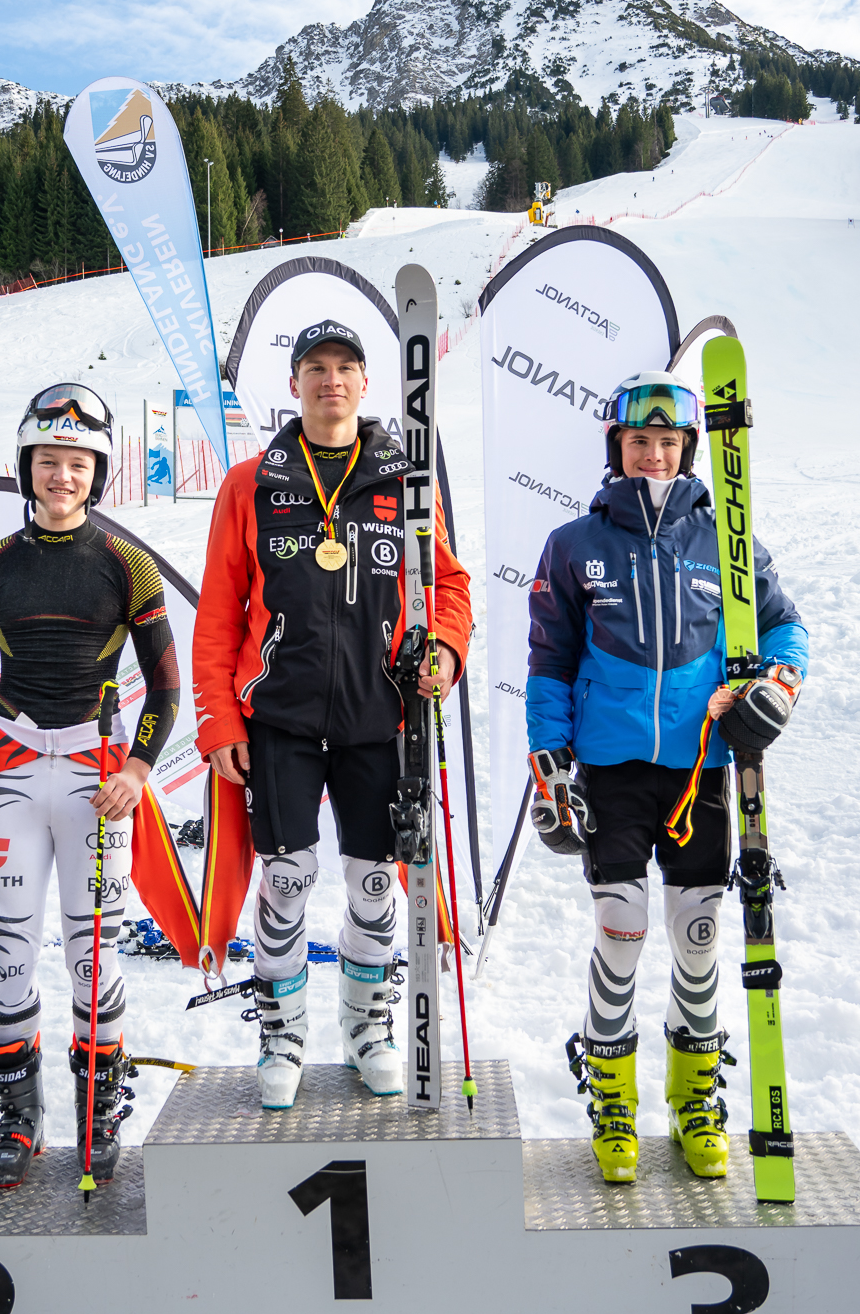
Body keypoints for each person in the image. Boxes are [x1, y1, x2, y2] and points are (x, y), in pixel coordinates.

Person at [525, 370, 807, 1185]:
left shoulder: (728, 541)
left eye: (668, 442)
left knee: (697, 937)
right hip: (611, 770)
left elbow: (784, 630)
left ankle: (694, 1101)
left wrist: (772, 689)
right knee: (620, 928)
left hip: (700, 770)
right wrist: (552, 767)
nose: (653, 455)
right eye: (638, 441)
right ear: (616, 447)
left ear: (687, 449)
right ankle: (612, 1098)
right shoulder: (575, 544)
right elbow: (549, 662)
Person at [193, 318, 473, 1109]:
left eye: (345, 367)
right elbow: (218, 613)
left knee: (375, 884)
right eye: (315, 367)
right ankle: (280, 1034)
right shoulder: (250, 483)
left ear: (364, 382)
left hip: (377, 717)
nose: (331, 380)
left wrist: (445, 649)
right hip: (276, 717)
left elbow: (447, 585)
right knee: (285, 878)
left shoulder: (403, 480)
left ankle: (367, 1027)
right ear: (293, 385)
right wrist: (217, 720)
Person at [0, 383, 179, 1189]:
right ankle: (18, 1113)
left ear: (96, 473)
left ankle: (98, 1107)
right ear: (27, 468)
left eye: (77, 464)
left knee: (95, 957)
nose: (61, 477)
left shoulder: (125, 563)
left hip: (96, 775)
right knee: (6, 952)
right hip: (11, 765)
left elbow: (165, 688)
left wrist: (137, 768)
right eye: (48, 462)